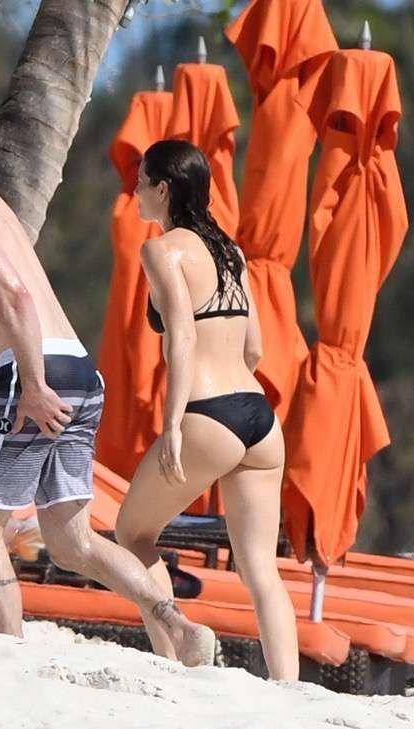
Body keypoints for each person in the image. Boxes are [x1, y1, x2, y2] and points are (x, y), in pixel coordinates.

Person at [0, 91, 215, 667]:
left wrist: (32, 385)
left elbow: (14, 294)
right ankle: (179, 627)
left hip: (37, 372)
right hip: (78, 369)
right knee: (72, 540)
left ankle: (9, 663)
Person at [113, 139, 299, 681]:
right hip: (258, 416)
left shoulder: (162, 251)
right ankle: (289, 687)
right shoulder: (230, 252)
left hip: (207, 411)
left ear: (162, 189)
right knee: (260, 569)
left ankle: (171, 659)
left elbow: (182, 339)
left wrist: (173, 423)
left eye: (140, 183)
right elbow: (255, 348)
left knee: (132, 535)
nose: (134, 192)